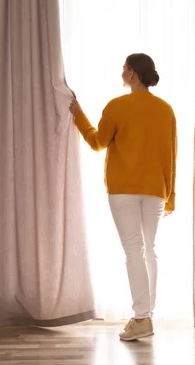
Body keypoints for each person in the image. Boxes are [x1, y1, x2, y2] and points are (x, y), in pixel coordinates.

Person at [68, 53, 177, 341]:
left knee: (134, 250)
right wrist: (171, 196)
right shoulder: (165, 110)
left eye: (124, 68)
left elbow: (97, 143)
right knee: (149, 249)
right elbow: (171, 156)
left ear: (131, 73)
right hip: (156, 189)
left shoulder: (117, 106)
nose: (121, 72)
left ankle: (141, 318)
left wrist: (78, 115)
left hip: (123, 189)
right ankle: (146, 314)